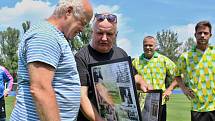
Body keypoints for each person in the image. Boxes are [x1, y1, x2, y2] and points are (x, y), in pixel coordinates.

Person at [10, 0, 93, 120]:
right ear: (69, 11)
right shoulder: (46, 35)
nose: (83, 30)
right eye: (82, 23)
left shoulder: (54, 36)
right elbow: (40, 89)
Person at [75, 12, 128, 121]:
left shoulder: (121, 53)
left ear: (115, 35)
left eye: (109, 34)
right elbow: (81, 96)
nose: (104, 38)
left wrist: (142, 83)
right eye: (100, 33)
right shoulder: (81, 57)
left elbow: (133, 76)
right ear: (92, 33)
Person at [175, 21, 215, 121]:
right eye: (199, 33)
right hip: (197, 107)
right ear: (195, 35)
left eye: (205, 33)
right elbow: (176, 74)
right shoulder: (186, 56)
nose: (202, 35)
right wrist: (184, 89)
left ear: (210, 35)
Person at [132, 36, 178, 121]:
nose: (148, 47)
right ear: (142, 46)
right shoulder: (136, 62)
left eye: (150, 45)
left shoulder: (163, 60)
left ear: (155, 46)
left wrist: (169, 89)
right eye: (145, 45)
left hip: (160, 102)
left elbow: (179, 76)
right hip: (142, 104)